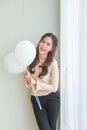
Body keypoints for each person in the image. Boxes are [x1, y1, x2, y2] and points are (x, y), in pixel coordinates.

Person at [24, 33, 60, 130]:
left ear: (52, 49)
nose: (44, 45)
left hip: (52, 98)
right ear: (40, 42)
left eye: (48, 44)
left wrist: (36, 82)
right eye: (43, 42)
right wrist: (28, 81)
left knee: (52, 128)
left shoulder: (53, 63)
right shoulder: (29, 59)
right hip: (36, 98)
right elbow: (28, 86)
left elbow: (54, 87)